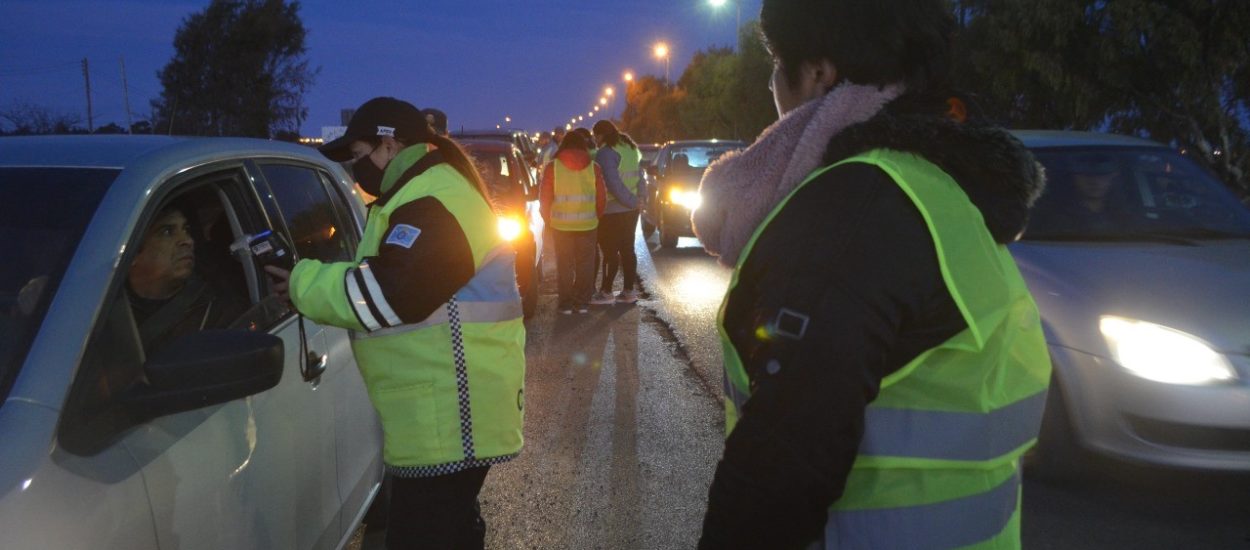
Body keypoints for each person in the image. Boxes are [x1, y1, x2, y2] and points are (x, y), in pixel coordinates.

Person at [691, 1, 1051, 548]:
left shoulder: (848, 211)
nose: (772, 85)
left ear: (816, 73)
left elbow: (782, 465)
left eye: (774, 64)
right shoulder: (931, 183)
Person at [266, 97, 526, 550]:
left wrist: (301, 281)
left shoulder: (435, 201)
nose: (353, 168)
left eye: (358, 155)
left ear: (390, 144)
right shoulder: (414, 196)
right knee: (452, 532)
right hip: (442, 411)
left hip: (451, 415)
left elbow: (387, 294)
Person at [127, 204, 245, 353]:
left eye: (186, 230)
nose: (188, 241)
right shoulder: (104, 305)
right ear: (131, 253)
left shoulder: (218, 310)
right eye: (167, 232)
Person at [539, 129, 605, 314]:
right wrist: (596, 216)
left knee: (564, 264)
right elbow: (602, 198)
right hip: (588, 225)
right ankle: (583, 302)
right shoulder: (594, 167)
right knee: (586, 264)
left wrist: (548, 219)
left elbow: (545, 198)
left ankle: (566, 304)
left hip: (561, 226)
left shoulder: (553, 167)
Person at [589, 120, 646, 305]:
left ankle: (606, 292)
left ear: (601, 135)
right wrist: (639, 201)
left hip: (612, 210)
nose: (594, 140)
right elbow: (641, 176)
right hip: (631, 209)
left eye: (595, 135)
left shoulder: (606, 153)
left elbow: (613, 184)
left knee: (610, 252)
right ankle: (629, 291)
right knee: (628, 249)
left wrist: (629, 201)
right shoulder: (630, 148)